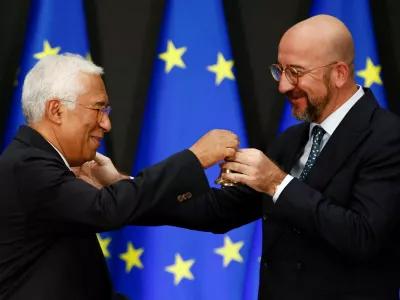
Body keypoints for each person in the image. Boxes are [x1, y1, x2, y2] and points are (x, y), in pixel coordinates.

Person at [79, 15, 400, 299]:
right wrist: (125, 187)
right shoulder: (291, 141)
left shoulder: (387, 137)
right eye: (280, 70)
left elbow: (363, 235)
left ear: (340, 74)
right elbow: (217, 211)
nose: (284, 85)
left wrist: (276, 182)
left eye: (296, 72)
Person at [0, 53, 239, 300]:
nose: (106, 124)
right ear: (57, 110)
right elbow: (104, 209)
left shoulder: (37, 163)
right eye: (98, 108)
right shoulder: (27, 165)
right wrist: (194, 159)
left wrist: (116, 184)